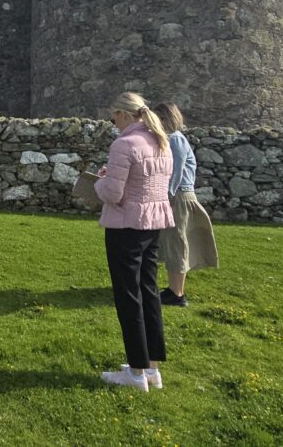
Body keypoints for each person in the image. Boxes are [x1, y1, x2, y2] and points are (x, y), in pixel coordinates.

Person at [93, 91, 174, 391]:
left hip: (126, 226)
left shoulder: (124, 144)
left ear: (125, 114)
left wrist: (100, 182)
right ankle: (151, 368)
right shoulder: (160, 142)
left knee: (129, 297)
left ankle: (136, 373)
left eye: (114, 115)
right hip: (153, 225)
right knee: (149, 293)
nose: (112, 121)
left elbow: (113, 194)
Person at [153, 102, 218, 307]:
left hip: (179, 197)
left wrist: (167, 196)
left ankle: (177, 293)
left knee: (177, 242)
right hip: (176, 196)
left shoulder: (175, 140)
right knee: (172, 242)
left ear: (164, 119)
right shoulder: (171, 140)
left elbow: (176, 172)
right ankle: (173, 290)